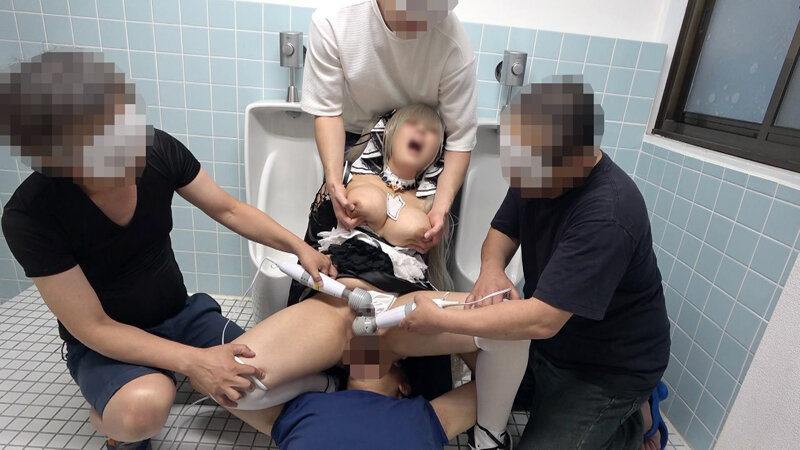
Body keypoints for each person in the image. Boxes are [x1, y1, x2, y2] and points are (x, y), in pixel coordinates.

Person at [0, 51, 335, 450]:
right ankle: (117, 420)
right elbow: (93, 327)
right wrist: (195, 362)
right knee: (142, 408)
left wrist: (299, 247)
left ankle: (190, 380)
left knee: (259, 375)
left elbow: (229, 209)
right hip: (109, 342)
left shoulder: (155, 149)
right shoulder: (31, 215)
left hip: (179, 315)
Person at [398, 78, 672, 450]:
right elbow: (502, 231)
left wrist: (442, 320)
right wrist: (491, 270)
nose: (518, 182)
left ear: (578, 160)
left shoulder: (609, 214)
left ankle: (635, 418)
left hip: (605, 369)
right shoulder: (537, 166)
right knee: (490, 379)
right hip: (549, 345)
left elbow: (543, 319)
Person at [209, 283, 529, 450]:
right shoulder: (428, 419)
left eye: (389, 358)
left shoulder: (423, 416)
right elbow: (220, 382)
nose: (368, 347)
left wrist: (445, 334)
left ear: (404, 386)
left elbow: (498, 369)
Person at [301, 0, 478, 253]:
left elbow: (460, 139)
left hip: (419, 155)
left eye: (434, 13)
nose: (423, 21)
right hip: (355, 139)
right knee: (330, 246)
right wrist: (334, 180)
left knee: (420, 237)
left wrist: (440, 207)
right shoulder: (334, 20)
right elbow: (327, 111)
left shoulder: (453, 43)